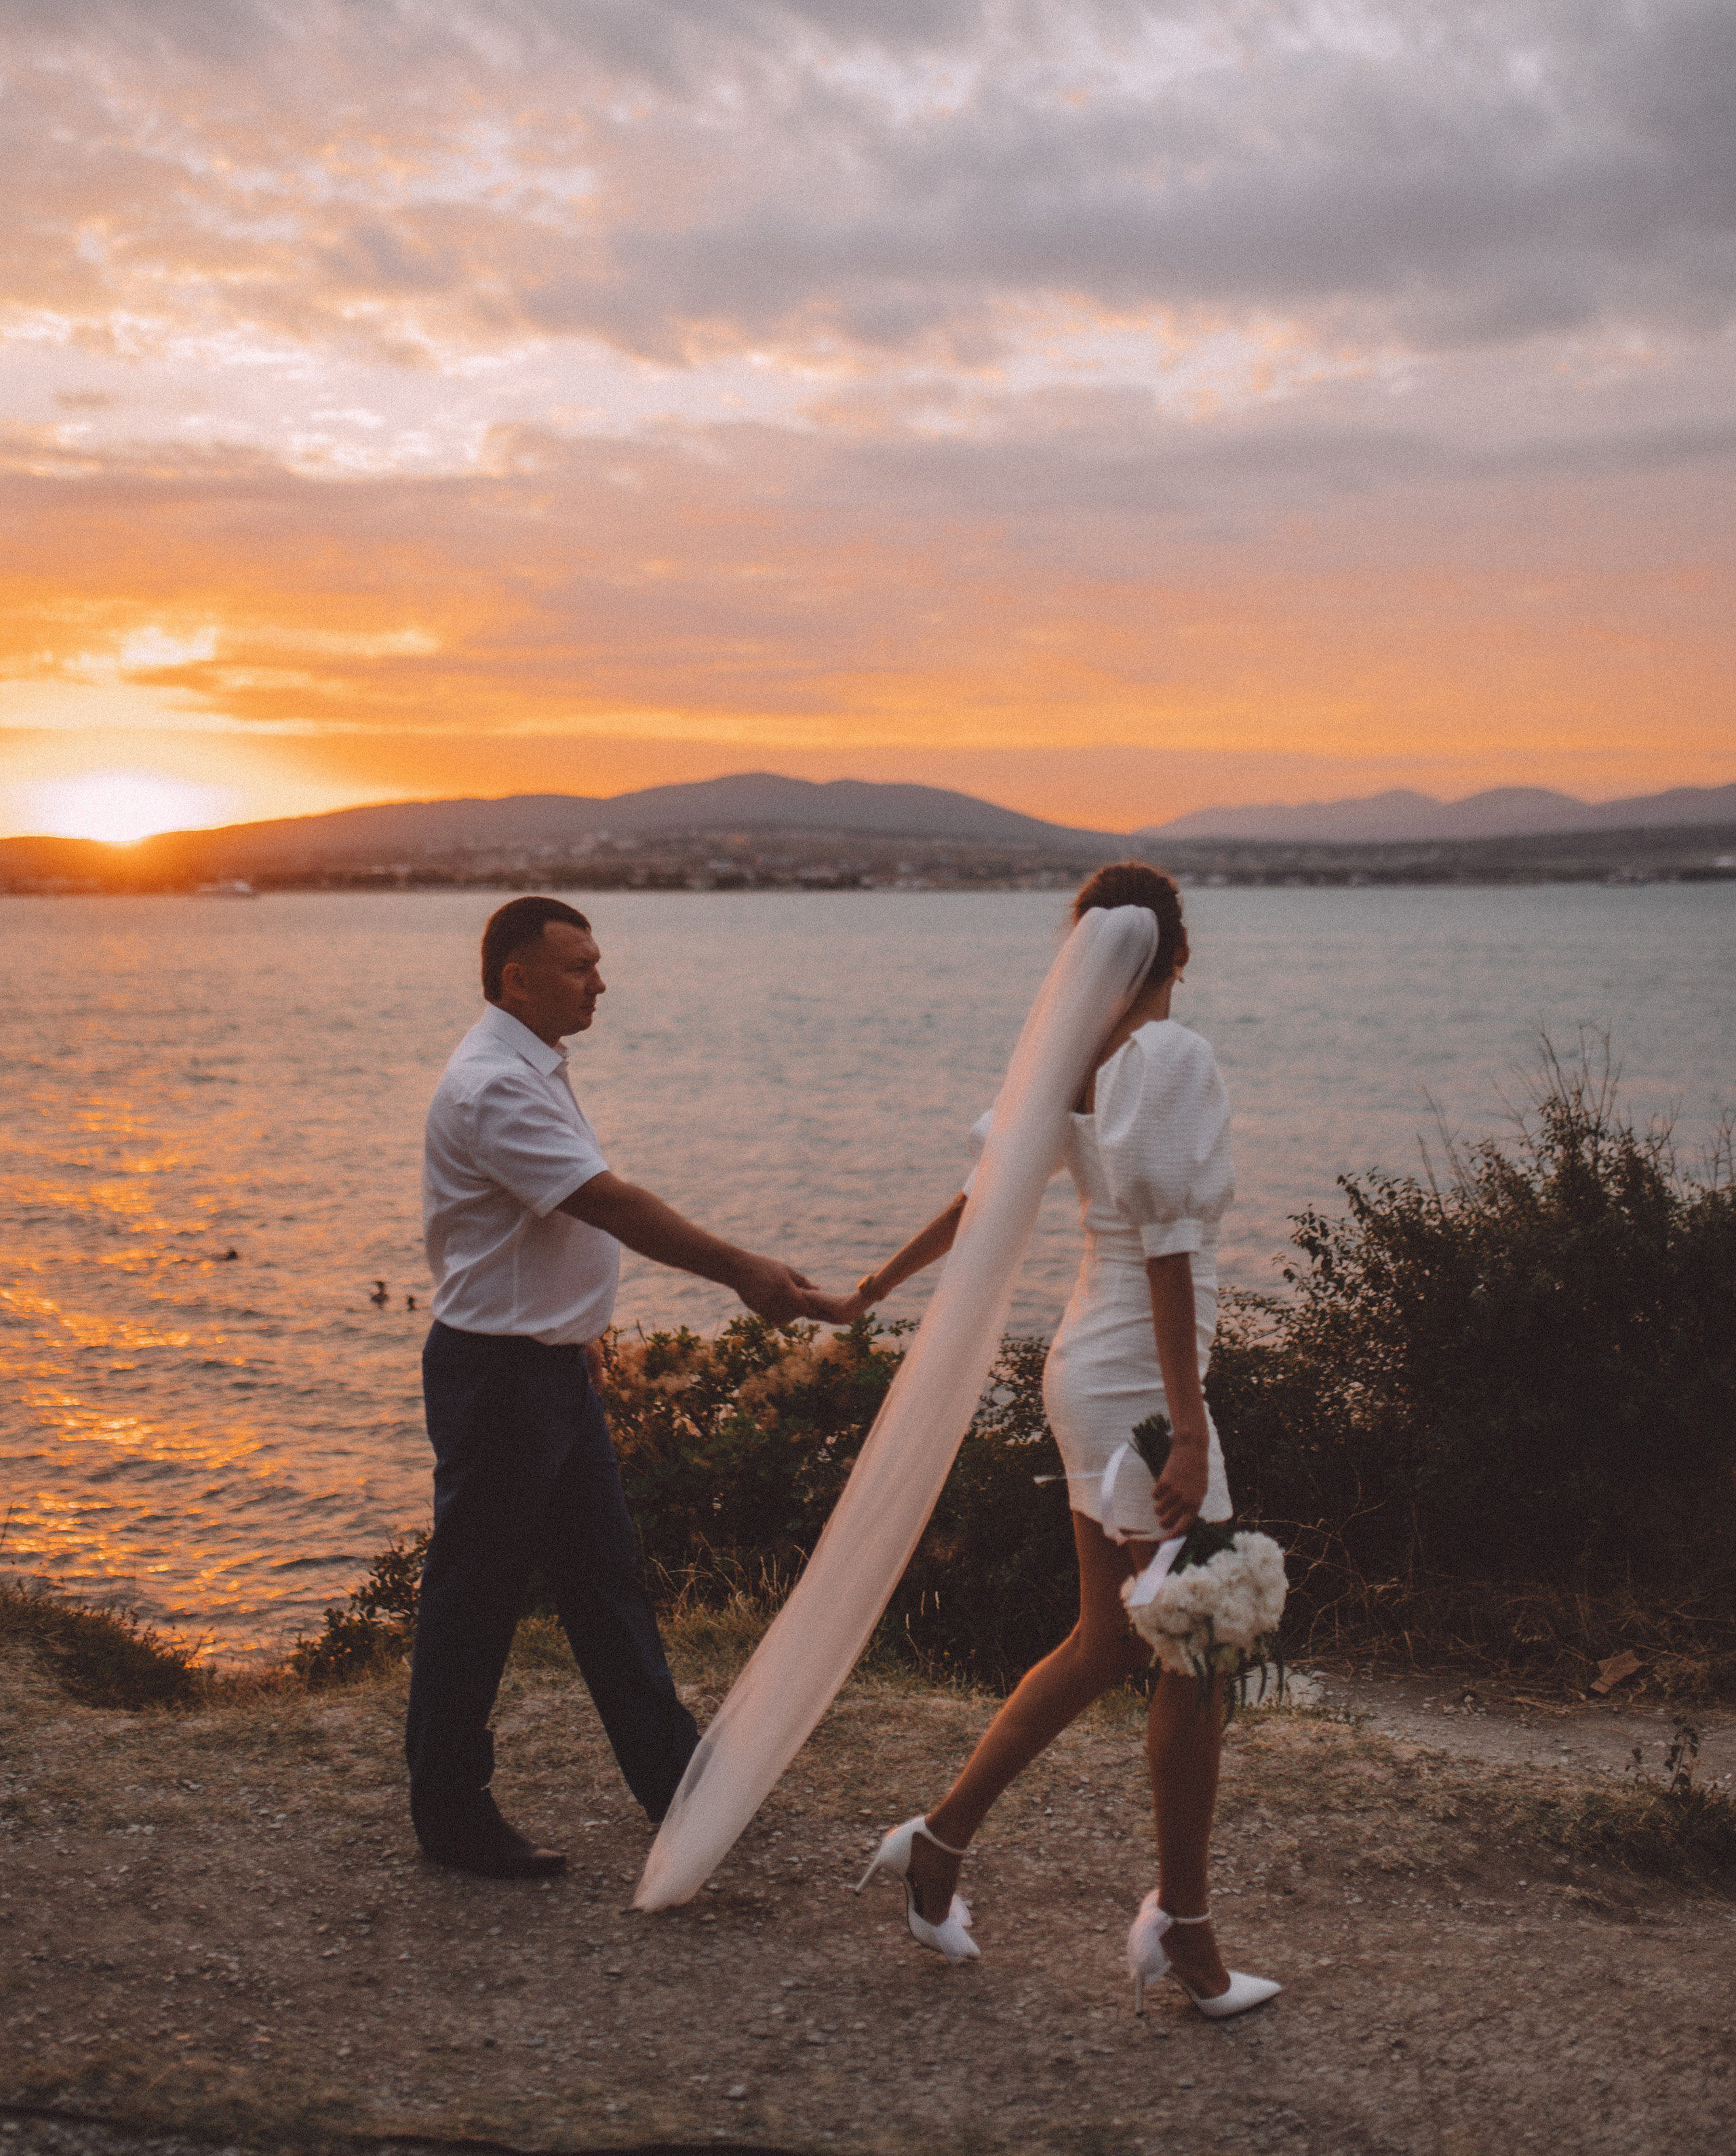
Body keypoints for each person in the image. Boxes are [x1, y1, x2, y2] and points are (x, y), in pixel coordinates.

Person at [846, 864, 1280, 2018]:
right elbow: (1173, 1249)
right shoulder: (1168, 1059)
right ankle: (1183, 1933)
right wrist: (1188, 1428)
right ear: (1178, 956)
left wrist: (874, 1284)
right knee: (1201, 1646)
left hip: (1084, 1366)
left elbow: (983, 1199)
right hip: (1143, 1381)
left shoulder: (1069, 1063)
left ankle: (937, 1846)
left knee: (1105, 1640)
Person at [406, 894, 850, 1878]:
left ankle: (679, 1785)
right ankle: (449, 1810)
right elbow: (606, 1202)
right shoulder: (496, 1086)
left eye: (597, 963)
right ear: (517, 977)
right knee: (474, 1598)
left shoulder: (529, 1066)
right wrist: (742, 1268)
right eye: (578, 967)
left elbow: (544, 1231)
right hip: (501, 1380)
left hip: (546, 1367)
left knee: (606, 1583)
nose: (600, 982)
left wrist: (578, 1336)